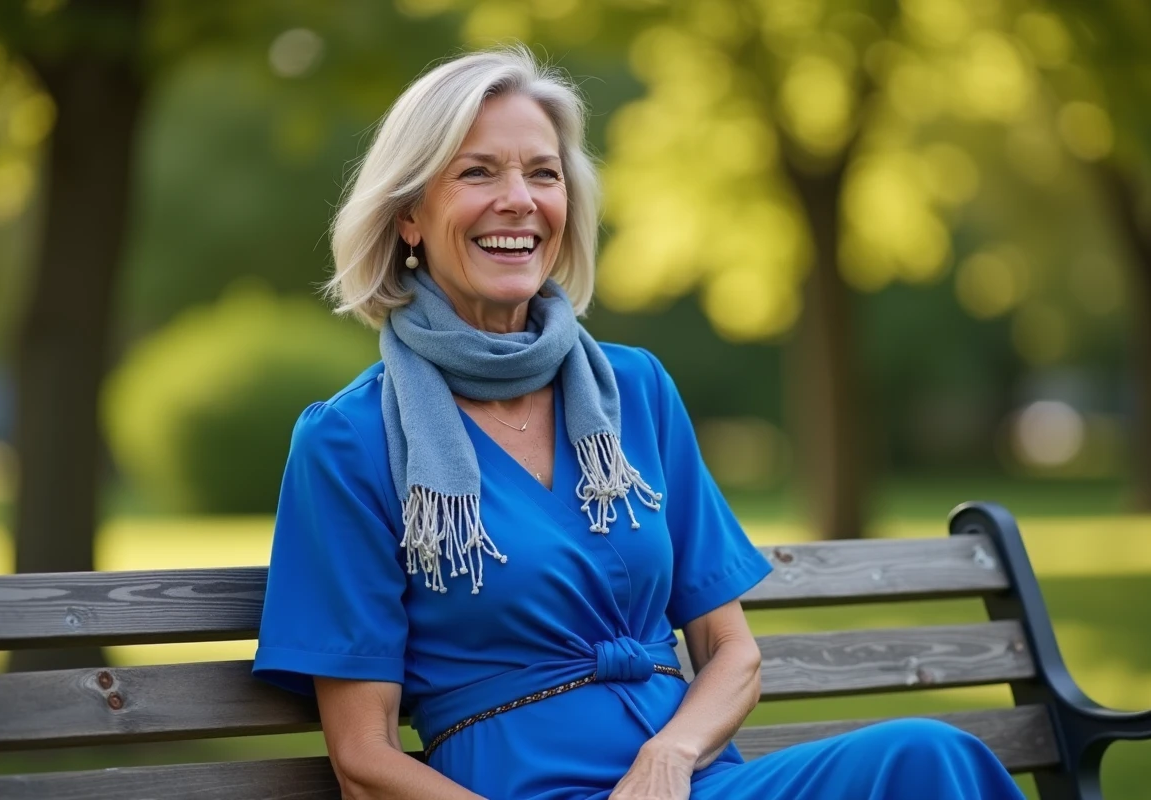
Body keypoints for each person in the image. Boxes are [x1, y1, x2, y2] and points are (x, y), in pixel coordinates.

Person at [252, 45, 1024, 800]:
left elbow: (731, 652)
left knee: (928, 757)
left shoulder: (634, 391)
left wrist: (670, 755)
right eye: (477, 172)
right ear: (411, 217)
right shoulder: (348, 442)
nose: (519, 199)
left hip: (692, 782)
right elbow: (363, 761)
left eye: (543, 173)